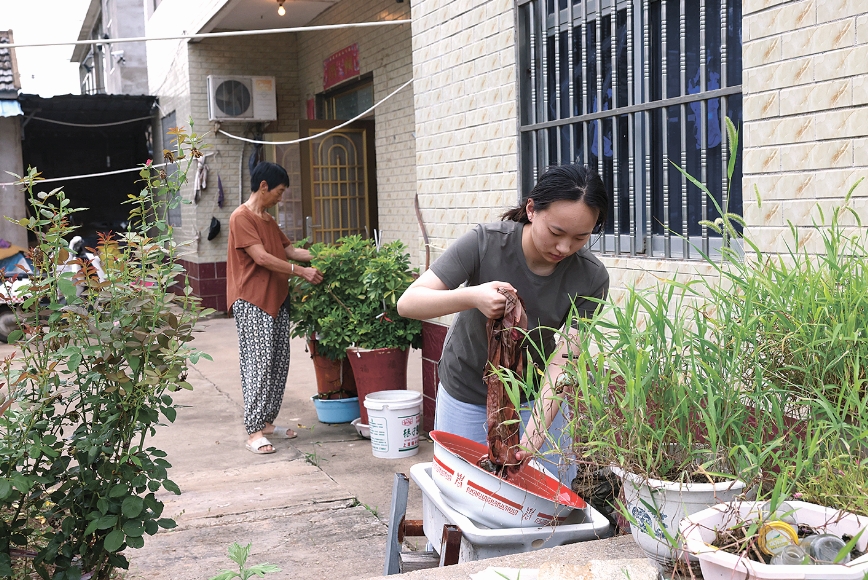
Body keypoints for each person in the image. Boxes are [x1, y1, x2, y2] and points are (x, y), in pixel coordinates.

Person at [396, 163, 609, 471]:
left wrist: (533, 437)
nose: (564, 247)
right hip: (467, 392)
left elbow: (564, 360)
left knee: (545, 501)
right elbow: (409, 302)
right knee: (463, 489)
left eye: (580, 237)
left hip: (535, 399)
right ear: (532, 209)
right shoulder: (484, 243)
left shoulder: (591, 277)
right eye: (556, 232)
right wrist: (472, 296)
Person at [227, 162, 324, 455]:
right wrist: (301, 271)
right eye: (279, 192)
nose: (281, 198)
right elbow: (262, 258)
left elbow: (289, 251)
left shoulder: (268, 220)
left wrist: (329, 255)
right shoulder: (240, 217)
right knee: (258, 364)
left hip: (277, 299)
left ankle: (267, 423)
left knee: (278, 363)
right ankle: (254, 431)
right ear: (264, 186)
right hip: (253, 300)